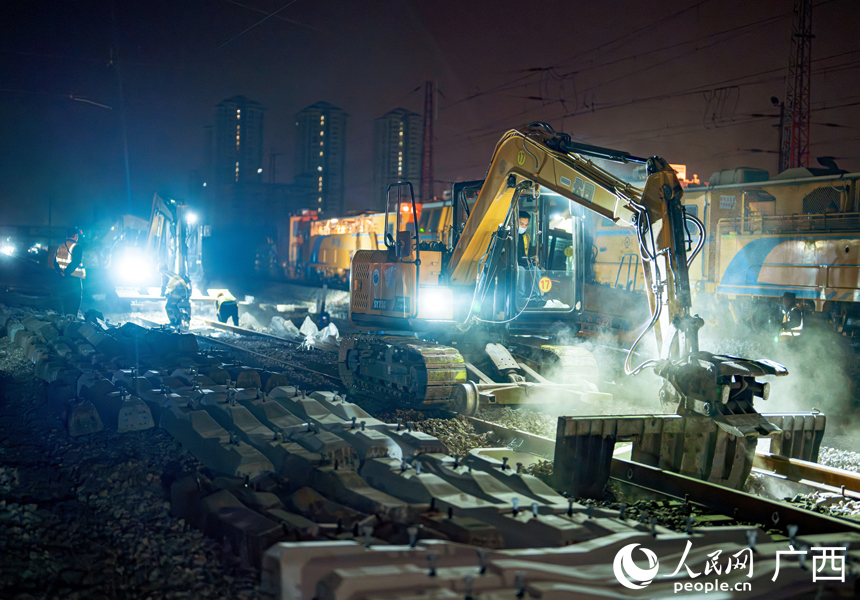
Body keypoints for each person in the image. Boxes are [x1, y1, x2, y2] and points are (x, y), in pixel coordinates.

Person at [54, 227, 85, 317]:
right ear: (75, 235)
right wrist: (66, 273)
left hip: (62, 279)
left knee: (66, 301)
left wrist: (60, 272)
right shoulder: (76, 246)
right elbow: (75, 262)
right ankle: (72, 321)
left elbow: (55, 261)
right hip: (73, 279)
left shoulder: (61, 246)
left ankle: (66, 320)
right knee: (75, 301)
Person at [159, 263, 191, 328]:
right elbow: (172, 285)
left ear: (160, 270)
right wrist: (168, 293)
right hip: (183, 291)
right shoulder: (171, 273)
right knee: (174, 305)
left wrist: (162, 293)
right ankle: (178, 321)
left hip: (178, 291)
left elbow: (164, 285)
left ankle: (173, 322)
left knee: (168, 306)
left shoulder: (165, 274)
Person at [516, 210, 539, 301]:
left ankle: (537, 295)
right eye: (521, 224)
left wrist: (534, 258)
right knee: (521, 270)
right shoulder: (510, 235)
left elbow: (529, 252)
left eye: (526, 224)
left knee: (535, 269)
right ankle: (520, 297)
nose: (524, 227)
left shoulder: (527, 236)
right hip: (515, 264)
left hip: (525, 263)